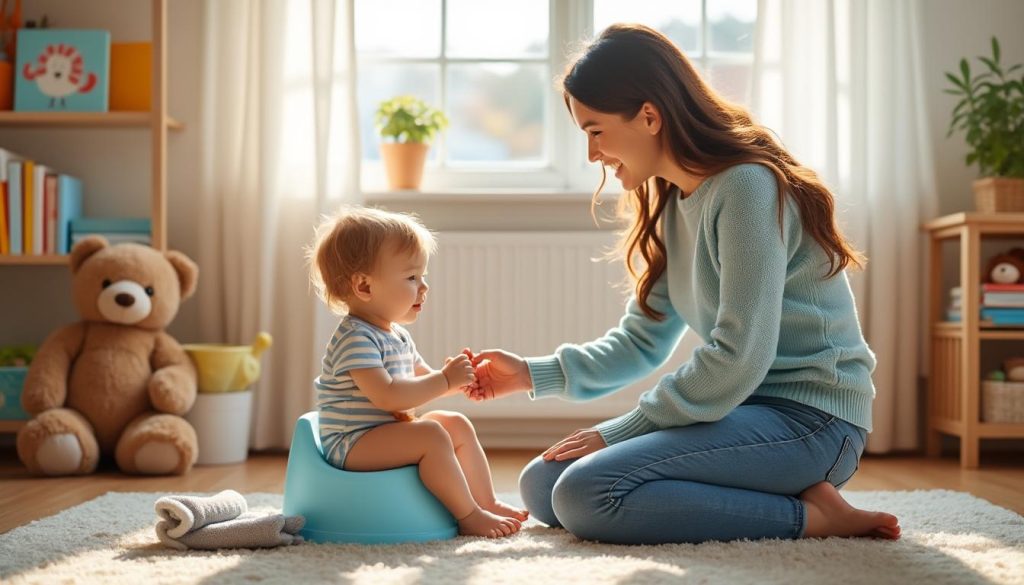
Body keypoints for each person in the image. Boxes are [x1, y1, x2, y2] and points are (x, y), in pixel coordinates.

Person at [465, 24, 901, 545]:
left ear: (649, 116)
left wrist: (618, 432)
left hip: (813, 422)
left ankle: (811, 518)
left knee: (585, 495)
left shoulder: (745, 186)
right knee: (544, 484)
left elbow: (740, 356)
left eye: (596, 130)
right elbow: (641, 342)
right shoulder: (673, 201)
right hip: (745, 414)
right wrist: (532, 375)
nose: (591, 154)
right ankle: (793, 497)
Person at [307, 206, 527, 538]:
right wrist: (444, 380)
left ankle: (487, 501)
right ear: (364, 287)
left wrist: (459, 380)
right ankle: (467, 516)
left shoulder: (395, 334)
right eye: (411, 278)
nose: (423, 287)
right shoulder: (354, 337)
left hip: (384, 433)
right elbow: (388, 395)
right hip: (351, 443)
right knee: (432, 435)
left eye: (422, 277)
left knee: (455, 424)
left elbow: (421, 377)